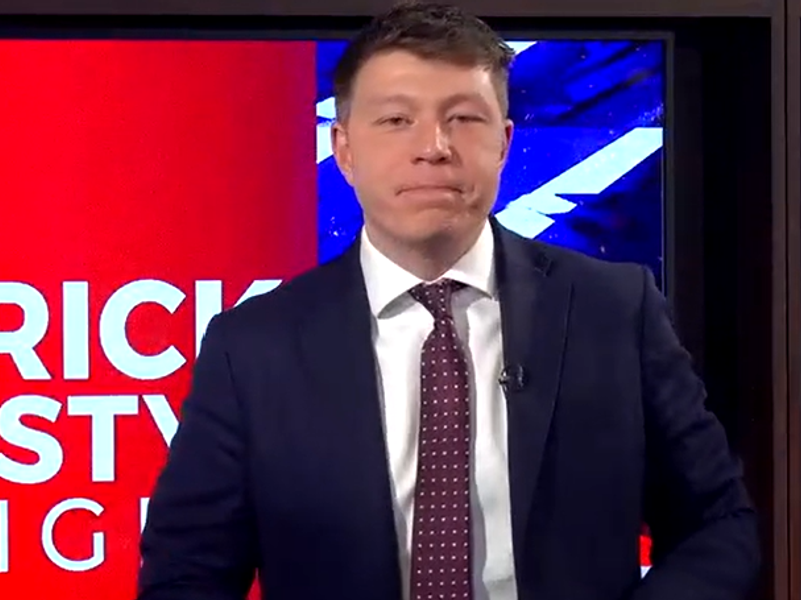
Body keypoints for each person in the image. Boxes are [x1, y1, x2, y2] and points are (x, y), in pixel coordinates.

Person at [135, 1, 760, 599]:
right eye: (396, 120)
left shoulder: (614, 310)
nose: (433, 146)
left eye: (463, 118)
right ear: (344, 149)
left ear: (504, 142)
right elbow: (185, 574)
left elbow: (717, 524)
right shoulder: (253, 347)